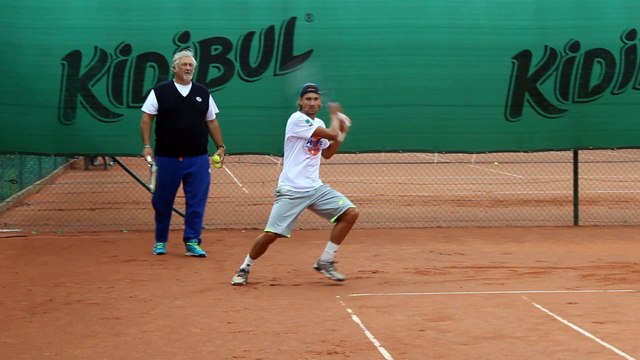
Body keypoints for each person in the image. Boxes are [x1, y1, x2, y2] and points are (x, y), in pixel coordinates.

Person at [230, 83, 359, 286]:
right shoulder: (297, 119)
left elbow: (327, 153)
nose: (312, 103)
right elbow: (331, 134)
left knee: (350, 213)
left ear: (319, 102)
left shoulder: (319, 123)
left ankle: (325, 260)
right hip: (291, 190)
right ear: (300, 102)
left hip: (315, 188)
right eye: (308, 99)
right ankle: (244, 268)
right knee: (271, 234)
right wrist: (336, 117)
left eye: (316, 99)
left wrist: (343, 132)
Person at [140, 49, 226, 257]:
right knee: (162, 202)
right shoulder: (160, 91)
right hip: (167, 157)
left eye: (191, 66)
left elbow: (211, 121)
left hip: (197, 158)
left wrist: (221, 146)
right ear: (175, 67)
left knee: (196, 201)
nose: (188, 68)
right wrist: (146, 146)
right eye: (185, 65)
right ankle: (160, 240)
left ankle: (192, 241)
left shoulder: (202, 93)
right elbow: (146, 118)